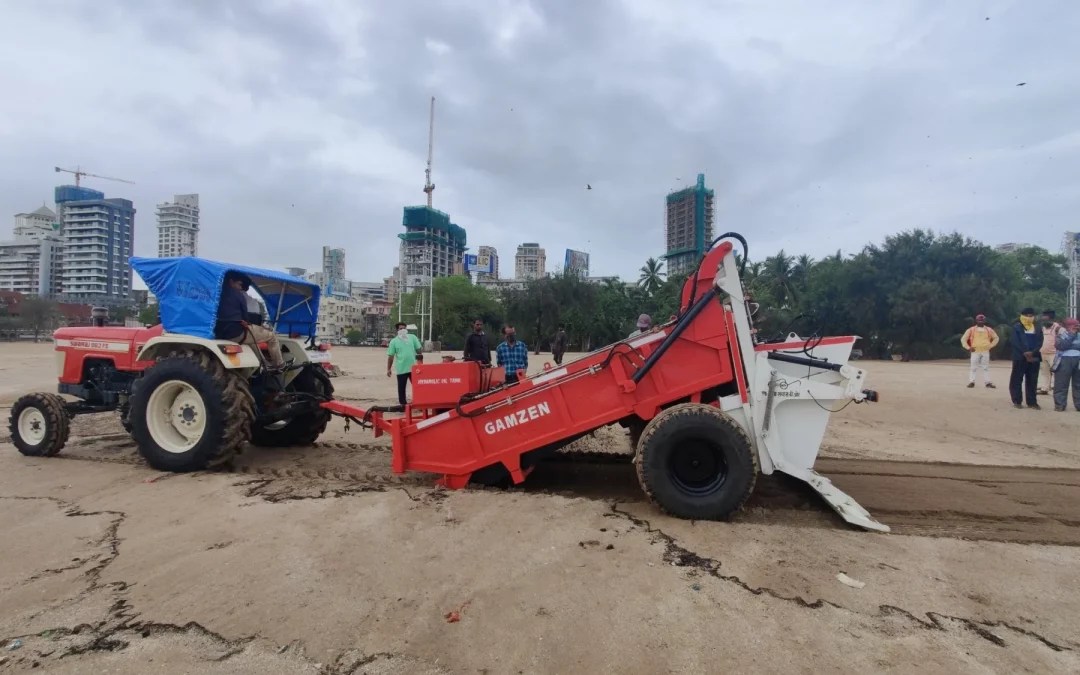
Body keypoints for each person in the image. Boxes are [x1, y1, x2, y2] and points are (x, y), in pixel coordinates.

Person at [215, 272, 284, 370]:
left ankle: (264, 364)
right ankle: (279, 364)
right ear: (231, 282)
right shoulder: (238, 295)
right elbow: (245, 317)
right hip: (236, 333)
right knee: (272, 337)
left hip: (220, 333)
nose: (240, 287)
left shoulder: (217, 293)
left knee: (252, 341)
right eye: (239, 284)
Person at [1009, 308, 1045, 410]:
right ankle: (1017, 401)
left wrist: (1033, 352)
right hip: (1020, 357)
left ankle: (1032, 402)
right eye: (1027, 315)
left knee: (1032, 380)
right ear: (1022, 316)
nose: (1030, 318)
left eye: (1031, 316)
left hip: (1034, 357)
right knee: (1017, 379)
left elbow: (1040, 342)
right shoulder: (1017, 327)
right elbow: (1015, 342)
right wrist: (1025, 352)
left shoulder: (1037, 328)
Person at [386, 322, 423, 406]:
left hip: (414, 368)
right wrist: (389, 369)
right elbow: (391, 356)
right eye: (400, 329)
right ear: (397, 330)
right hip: (401, 368)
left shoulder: (412, 337)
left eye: (404, 328)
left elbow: (419, 351)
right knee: (401, 389)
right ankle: (403, 405)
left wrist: (421, 364)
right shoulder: (393, 342)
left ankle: (420, 402)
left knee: (418, 386)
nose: (403, 330)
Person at [960, 314, 999, 388]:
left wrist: (990, 346)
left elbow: (996, 338)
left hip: (985, 351)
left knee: (986, 367)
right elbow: (963, 339)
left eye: (982, 320)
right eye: (979, 320)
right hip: (975, 351)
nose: (980, 322)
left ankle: (987, 383)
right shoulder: (971, 330)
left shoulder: (989, 330)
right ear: (976, 321)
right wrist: (968, 347)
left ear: (984, 321)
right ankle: (972, 382)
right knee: (973, 367)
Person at [1052, 317, 1080, 412]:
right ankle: (1060, 405)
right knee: (1061, 384)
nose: (1076, 328)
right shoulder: (1061, 335)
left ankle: (1079, 405)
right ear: (1068, 326)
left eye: (1077, 326)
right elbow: (1062, 346)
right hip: (1064, 360)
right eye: (1074, 326)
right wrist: (1071, 335)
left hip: (1078, 360)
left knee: (1078, 384)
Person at [1038, 310, 1063, 395]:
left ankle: (1058, 389)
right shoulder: (1043, 328)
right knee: (1045, 372)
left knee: (1056, 372)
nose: (1044, 321)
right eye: (1043, 320)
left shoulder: (1058, 328)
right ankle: (1045, 388)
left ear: (1052, 319)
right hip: (1043, 353)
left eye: (1046, 319)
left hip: (1054, 354)